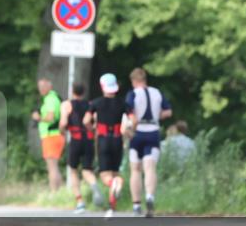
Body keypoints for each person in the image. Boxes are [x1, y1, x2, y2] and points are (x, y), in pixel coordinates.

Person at [125, 68, 172, 217]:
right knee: (150, 167)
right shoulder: (157, 92)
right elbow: (168, 111)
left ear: (134, 81)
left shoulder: (133, 94)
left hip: (137, 132)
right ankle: (150, 196)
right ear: (145, 79)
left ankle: (136, 205)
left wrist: (130, 128)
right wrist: (157, 115)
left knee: (135, 169)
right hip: (153, 131)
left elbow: (129, 112)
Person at [84, 73, 127, 218]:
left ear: (102, 86)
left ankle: (114, 185)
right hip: (117, 139)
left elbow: (86, 121)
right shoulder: (123, 103)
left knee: (105, 175)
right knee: (115, 173)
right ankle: (112, 206)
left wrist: (93, 129)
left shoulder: (96, 103)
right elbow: (133, 120)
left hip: (103, 139)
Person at [60, 83, 102, 212]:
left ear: (72, 91)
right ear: (84, 92)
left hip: (75, 140)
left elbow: (64, 122)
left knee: (73, 171)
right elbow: (95, 123)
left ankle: (80, 202)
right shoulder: (90, 105)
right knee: (87, 170)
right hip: (88, 140)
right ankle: (94, 186)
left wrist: (62, 131)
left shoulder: (67, 105)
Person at [32, 78, 64, 193]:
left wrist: (38, 118)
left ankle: (54, 193)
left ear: (49, 87)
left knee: (52, 167)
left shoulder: (51, 99)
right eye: (39, 86)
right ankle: (60, 193)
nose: (40, 89)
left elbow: (50, 117)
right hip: (52, 136)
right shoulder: (50, 98)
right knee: (53, 166)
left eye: (43, 86)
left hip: (51, 136)